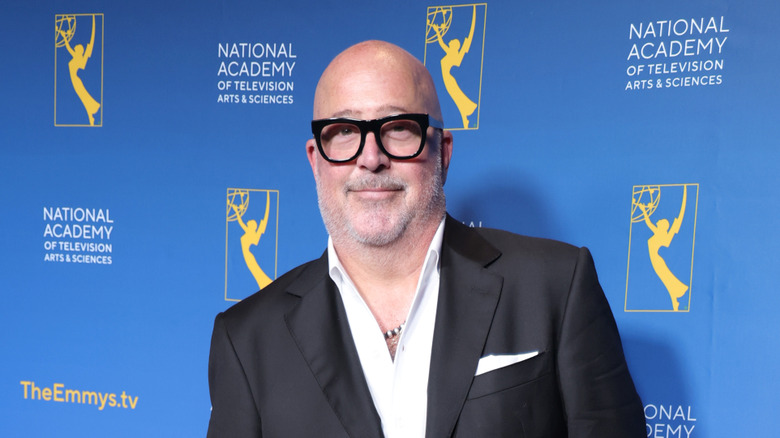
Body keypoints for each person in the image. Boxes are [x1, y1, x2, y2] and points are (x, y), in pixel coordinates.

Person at [207, 40, 645, 437]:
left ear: (444, 152)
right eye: (343, 132)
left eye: (399, 127)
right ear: (315, 160)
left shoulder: (556, 287)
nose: (371, 158)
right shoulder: (247, 339)